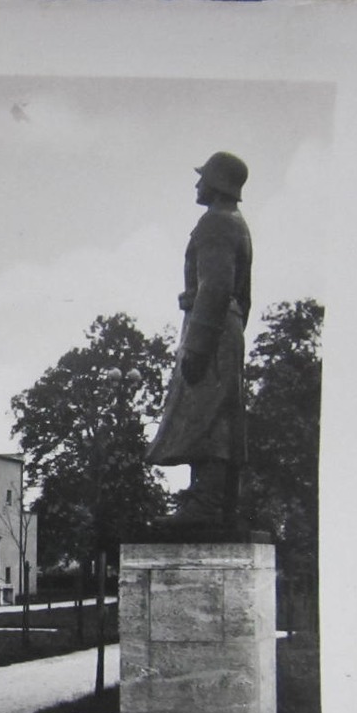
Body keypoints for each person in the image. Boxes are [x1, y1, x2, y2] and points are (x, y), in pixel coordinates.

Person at [146, 152, 253, 527]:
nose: (197, 185)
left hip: (212, 325)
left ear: (216, 183)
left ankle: (205, 508)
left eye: (202, 178)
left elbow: (216, 286)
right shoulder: (237, 224)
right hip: (229, 327)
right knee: (220, 413)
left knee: (205, 415)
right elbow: (244, 295)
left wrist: (198, 344)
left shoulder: (215, 224)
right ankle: (218, 506)